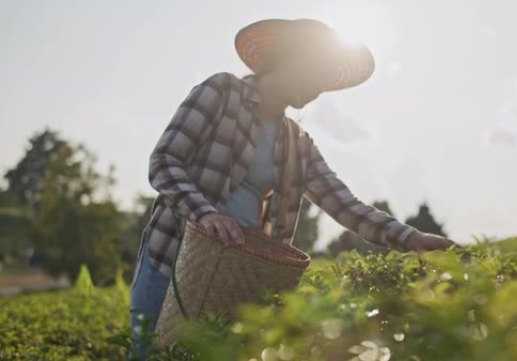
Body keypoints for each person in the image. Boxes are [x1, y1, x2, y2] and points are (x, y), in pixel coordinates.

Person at [128, 18, 457, 360]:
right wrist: (206, 213)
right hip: (172, 258)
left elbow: (342, 202)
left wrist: (408, 238)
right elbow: (164, 160)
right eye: (321, 72)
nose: (322, 87)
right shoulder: (222, 92)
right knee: (151, 353)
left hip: (236, 272)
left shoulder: (296, 142)